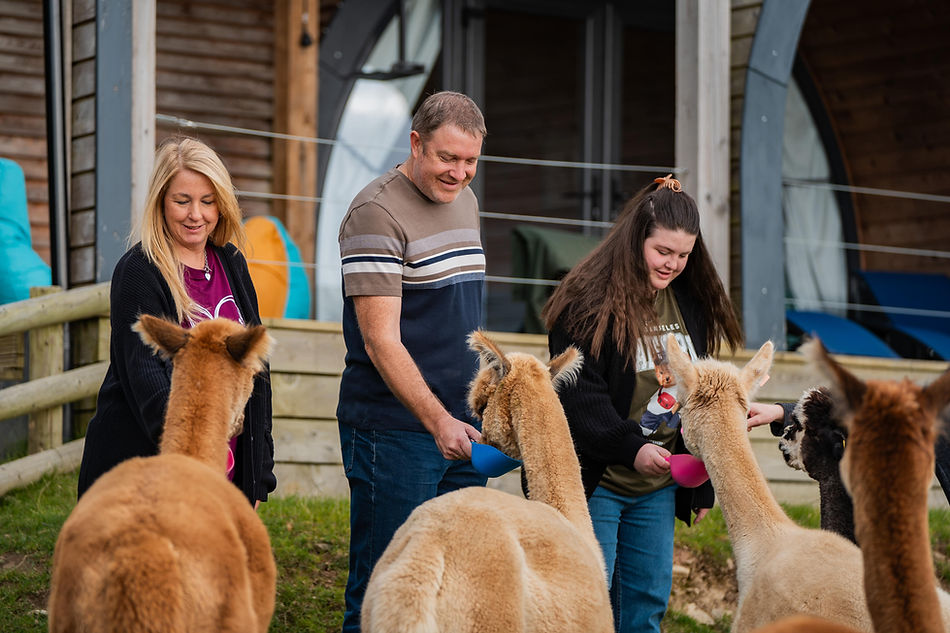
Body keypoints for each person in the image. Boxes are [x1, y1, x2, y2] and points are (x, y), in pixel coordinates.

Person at [542, 174, 744, 633]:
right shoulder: (585, 301)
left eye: (684, 255)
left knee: (646, 608)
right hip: (596, 482)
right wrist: (630, 447)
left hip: (658, 486)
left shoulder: (688, 302)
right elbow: (579, 395)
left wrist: (702, 477)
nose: (673, 264)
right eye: (663, 252)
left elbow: (699, 393)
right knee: (587, 605)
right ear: (637, 240)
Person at [336, 91, 489, 633]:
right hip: (396, 431)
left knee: (454, 584)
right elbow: (382, 344)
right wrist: (436, 419)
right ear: (416, 143)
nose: (460, 173)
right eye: (448, 158)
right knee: (386, 586)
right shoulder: (375, 213)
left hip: (465, 429)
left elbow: (463, 316)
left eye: (470, 161)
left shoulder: (465, 199)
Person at [77, 137, 275, 508]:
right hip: (148, 473)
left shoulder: (231, 262)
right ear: (161, 202)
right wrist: (193, 464)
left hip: (225, 467)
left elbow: (256, 369)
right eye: (182, 201)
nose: (195, 214)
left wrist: (258, 465)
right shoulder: (139, 271)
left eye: (208, 201)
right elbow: (147, 380)